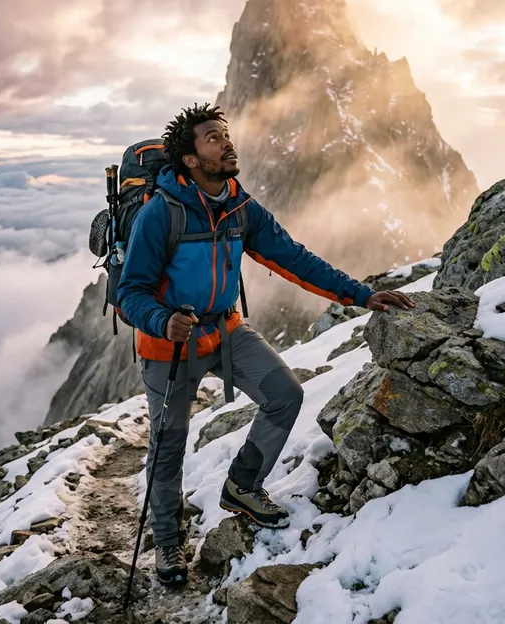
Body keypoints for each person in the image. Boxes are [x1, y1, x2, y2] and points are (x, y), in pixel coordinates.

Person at [116, 103, 415, 586]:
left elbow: (293, 258)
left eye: (226, 134)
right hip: (170, 344)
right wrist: (163, 320)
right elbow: (130, 292)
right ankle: (168, 543)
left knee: (285, 394)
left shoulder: (240, 206)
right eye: (213, 138)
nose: (227, 143)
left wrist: (361, 294)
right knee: (168, 447)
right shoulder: (161, 214)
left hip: (225, 330)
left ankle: (242, 485)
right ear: (190, 159)